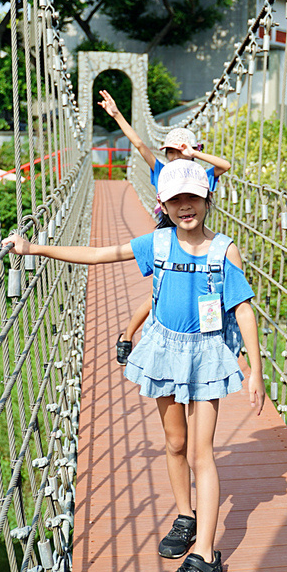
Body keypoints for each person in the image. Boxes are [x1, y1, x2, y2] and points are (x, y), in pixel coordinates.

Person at [6, 159, 264, 572]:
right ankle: (186, 515)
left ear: (208, 199)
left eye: (194, 197)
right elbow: (100, 255)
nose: (186, 206)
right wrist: (36, 250)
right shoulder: (158, 243)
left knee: (203, 452)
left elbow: (242, 308)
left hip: (204, 356)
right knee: (175, 443)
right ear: (162, 203)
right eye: (176, 199)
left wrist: (256, 370)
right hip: (164, 349)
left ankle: (205, 557)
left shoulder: (225, 250)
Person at [97, 89, 232, 366]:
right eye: (172, 152)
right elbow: (138, 144)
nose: (176, 157)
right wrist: (117, 115)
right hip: (168, 235)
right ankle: (128, 335)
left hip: (197, 238)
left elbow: (225, 165)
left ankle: (203, 346)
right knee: (156, 293)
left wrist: (192, 152)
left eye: (181, 152)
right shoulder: (161, 170)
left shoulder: (203, 175)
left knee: (199, 290)